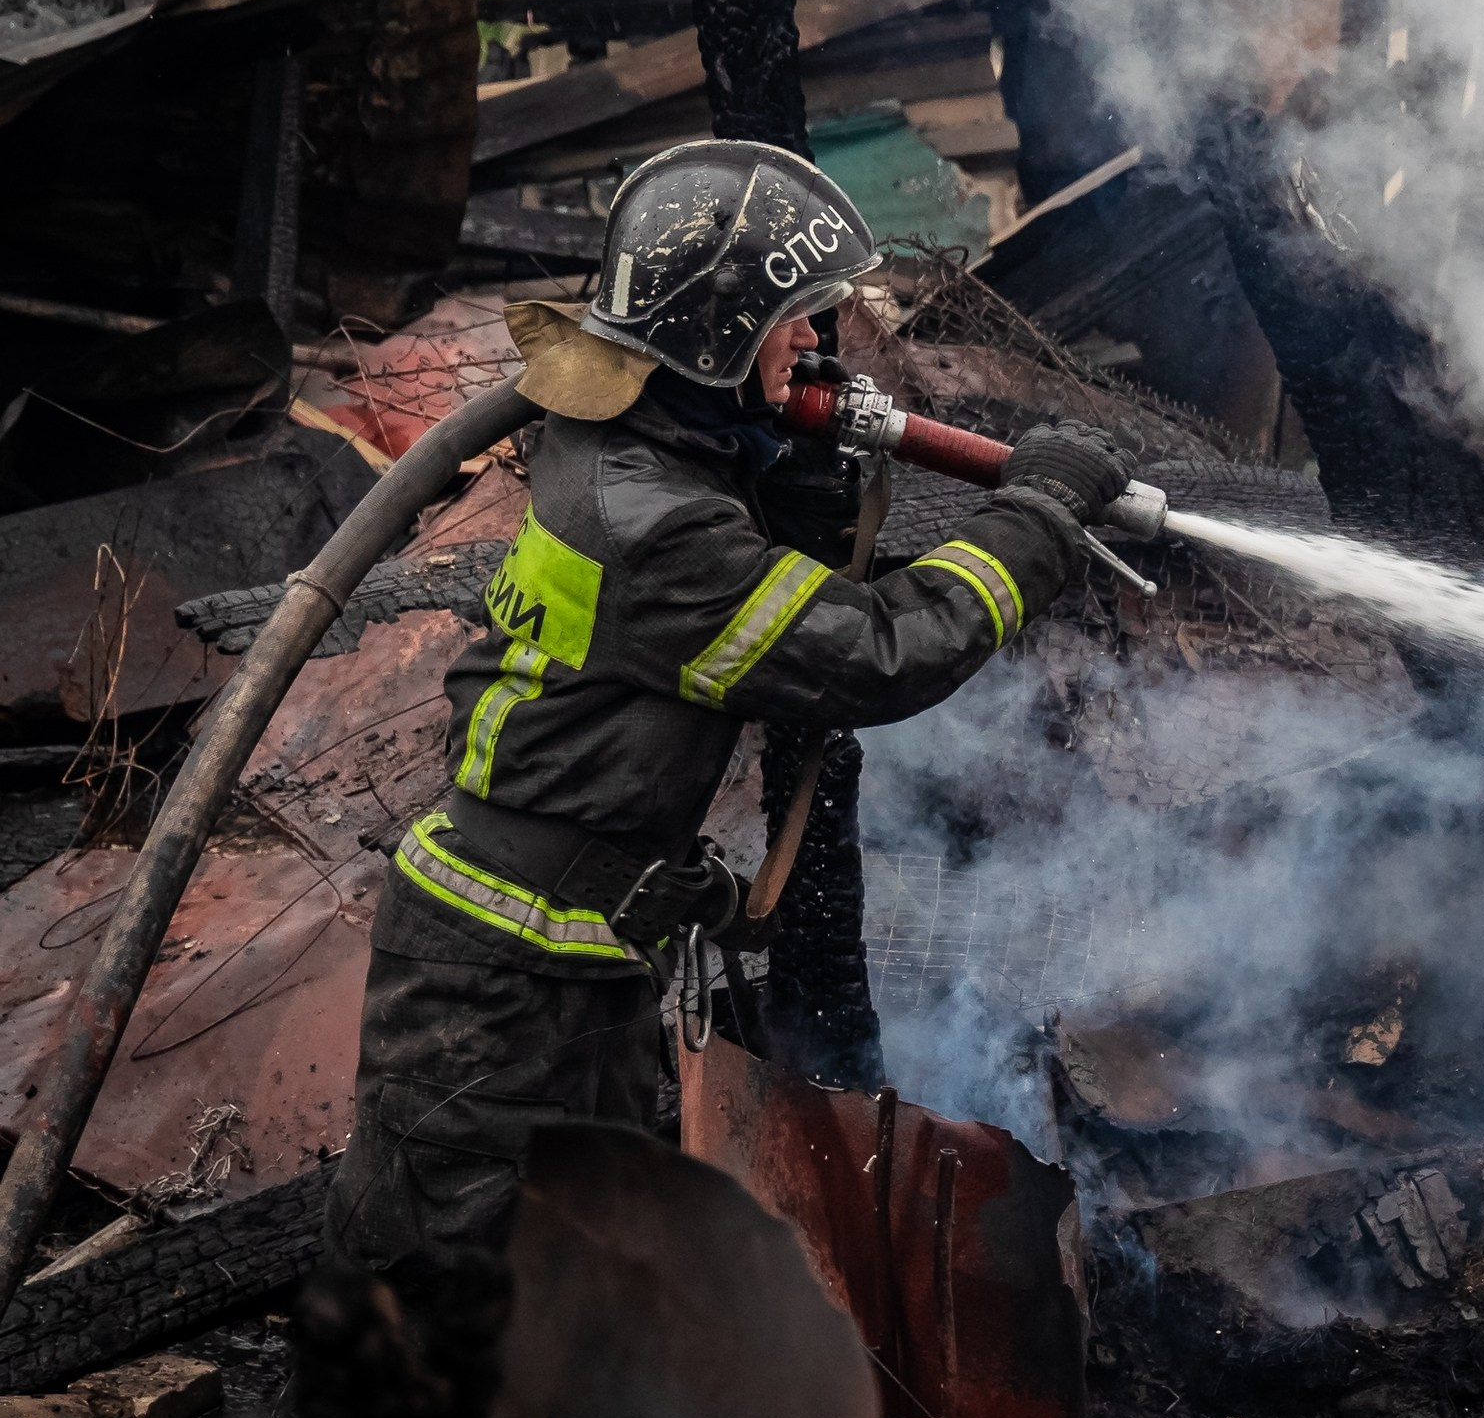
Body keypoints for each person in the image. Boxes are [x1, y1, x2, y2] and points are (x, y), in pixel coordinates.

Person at [322, 139, 1133, 1270]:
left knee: (564, 1303)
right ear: (711, 335)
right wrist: (1039, 518)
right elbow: (882, 653)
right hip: (496, 992)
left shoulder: (639, 439)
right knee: (440, 1320)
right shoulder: (658, 523)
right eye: (794, 317)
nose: (817, 339)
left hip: (559, 947)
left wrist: (789, 460)